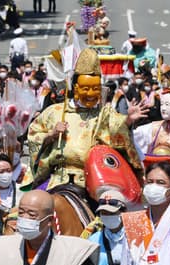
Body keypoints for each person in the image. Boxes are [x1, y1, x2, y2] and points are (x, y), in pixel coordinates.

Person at [24, 48, 145, 192]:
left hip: (94, 179)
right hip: (57, 177)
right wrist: (50, 135)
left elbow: (116, 128)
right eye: (85, 88)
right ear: (75, 88)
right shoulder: (55, 112)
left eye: (95, 89)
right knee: (32, 205)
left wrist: (128, 120)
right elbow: (33, 135)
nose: (90, 94)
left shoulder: (105, 113)